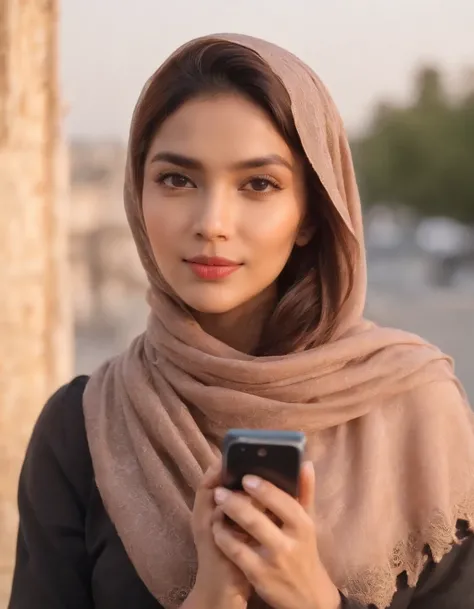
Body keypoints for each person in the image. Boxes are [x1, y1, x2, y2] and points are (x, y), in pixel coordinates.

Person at [8, 34, 474, 609]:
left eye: (259, 184)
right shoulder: (85, 429)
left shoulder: (417, 409)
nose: (212, 222)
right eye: (177, 179)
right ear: (137, 193)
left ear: (310, 213)